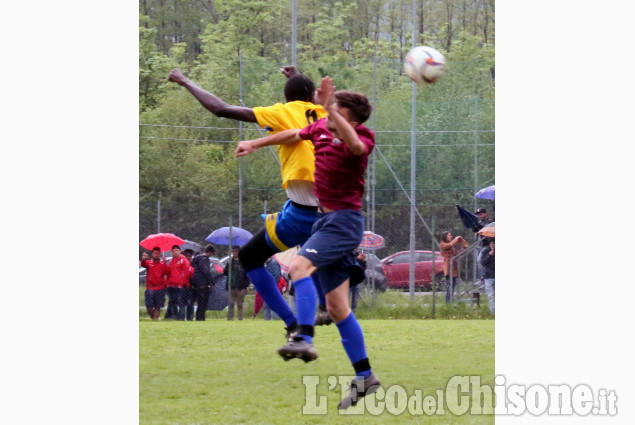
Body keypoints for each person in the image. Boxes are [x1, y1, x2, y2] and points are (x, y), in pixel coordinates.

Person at [236, 76, 379, 410]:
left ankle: (303, 337)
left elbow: (355, 147)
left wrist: (330, 108)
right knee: (337, 308)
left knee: (298, 266)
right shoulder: (321, 129)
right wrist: (256, 144)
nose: (325, 116)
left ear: (350, 120)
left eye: (334, 112)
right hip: (326, 221)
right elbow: (293, 134)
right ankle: (366, 378)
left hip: (343, 222)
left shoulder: (361, 137)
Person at [168, 67, 327, 337]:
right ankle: (326, 304)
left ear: (287, 98)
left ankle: (293, 323)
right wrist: (296, 78)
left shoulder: (282, 112)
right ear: (312, 96)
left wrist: (184, 81)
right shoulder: (325, 113)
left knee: (252, 259)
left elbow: (221, 109)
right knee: (317, 260)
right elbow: (306, 99)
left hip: (303, 212)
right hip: (337, 210)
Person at [190, 245, 221, 321]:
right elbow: (206, 271)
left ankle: (195, 316)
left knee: (195, 302)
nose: (211, 255)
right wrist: (212, 282)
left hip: (194, 283)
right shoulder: (204, 259)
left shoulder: (196, 259)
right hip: (202, 284)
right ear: (210, 252)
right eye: (212, 253)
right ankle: (200, 317)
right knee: (202, 302)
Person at [439, 231, 468, 303]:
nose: (451, 236)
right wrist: (455, 239)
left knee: (453, 286)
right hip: (448, 268)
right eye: (449, 235)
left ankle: (450, 301)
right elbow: (448, 245)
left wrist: (462, 249)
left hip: (454, 268)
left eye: (451, 235)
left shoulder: (451, 246)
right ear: (445, 236)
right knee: (450, 285)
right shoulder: (442, 244)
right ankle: (448, 302)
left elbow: (456, 254)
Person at [140, 247, 169, 320]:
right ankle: (153, 317)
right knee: (149, 306)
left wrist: (165, 262)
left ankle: (155, 319)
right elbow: (143, 264)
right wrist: (143, 259)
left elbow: (167, 272)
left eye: (158, 253)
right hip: (150, 288)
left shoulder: (163, 263)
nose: (156, 255)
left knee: (158, 306)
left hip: (160, 288)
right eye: (155, 253)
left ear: (160, 254)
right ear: (152, 254)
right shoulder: (149, 262)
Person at [165, 245, 192, 320]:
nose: (175, 252)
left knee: (181, 303)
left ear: (180, 251)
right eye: (173, 251)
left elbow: (186, 273)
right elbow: (169, 272)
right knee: (172, 302)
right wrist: (167, 283)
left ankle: (181, 318)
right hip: (172, 284)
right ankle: (175, 316)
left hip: (180, 285)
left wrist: (182, 283)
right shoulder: (171, 261)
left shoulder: (184, 260)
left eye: (177, 250)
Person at [224, 246, 250, 320]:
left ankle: (240, 318)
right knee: (231, 304)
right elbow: (225, 272)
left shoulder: (243, 262)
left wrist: (245, 286)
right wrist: (228, 267)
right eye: (233, 251)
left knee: (240, 304)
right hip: (231, 286)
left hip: (241, 287)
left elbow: (247, 274)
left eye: (236, 251)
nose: (235, 253)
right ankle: (230, 318)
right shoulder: (229, 261)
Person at [478, 239, 495, 314]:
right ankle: (493, 312)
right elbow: (482, 262)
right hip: (488, 276)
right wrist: (489, 255)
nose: (492, 245)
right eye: (491, 243)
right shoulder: (485, 251)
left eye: (494, 243)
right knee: (491, 296)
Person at [182, 249, 196, 321]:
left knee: (191, 303)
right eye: (187, 256)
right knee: (183, 302)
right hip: (184, 285)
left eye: (190, 256)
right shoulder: (182, 264)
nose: (188, 258)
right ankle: (181, 317)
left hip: (192, 286)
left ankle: (190, 317)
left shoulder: (194, 264)